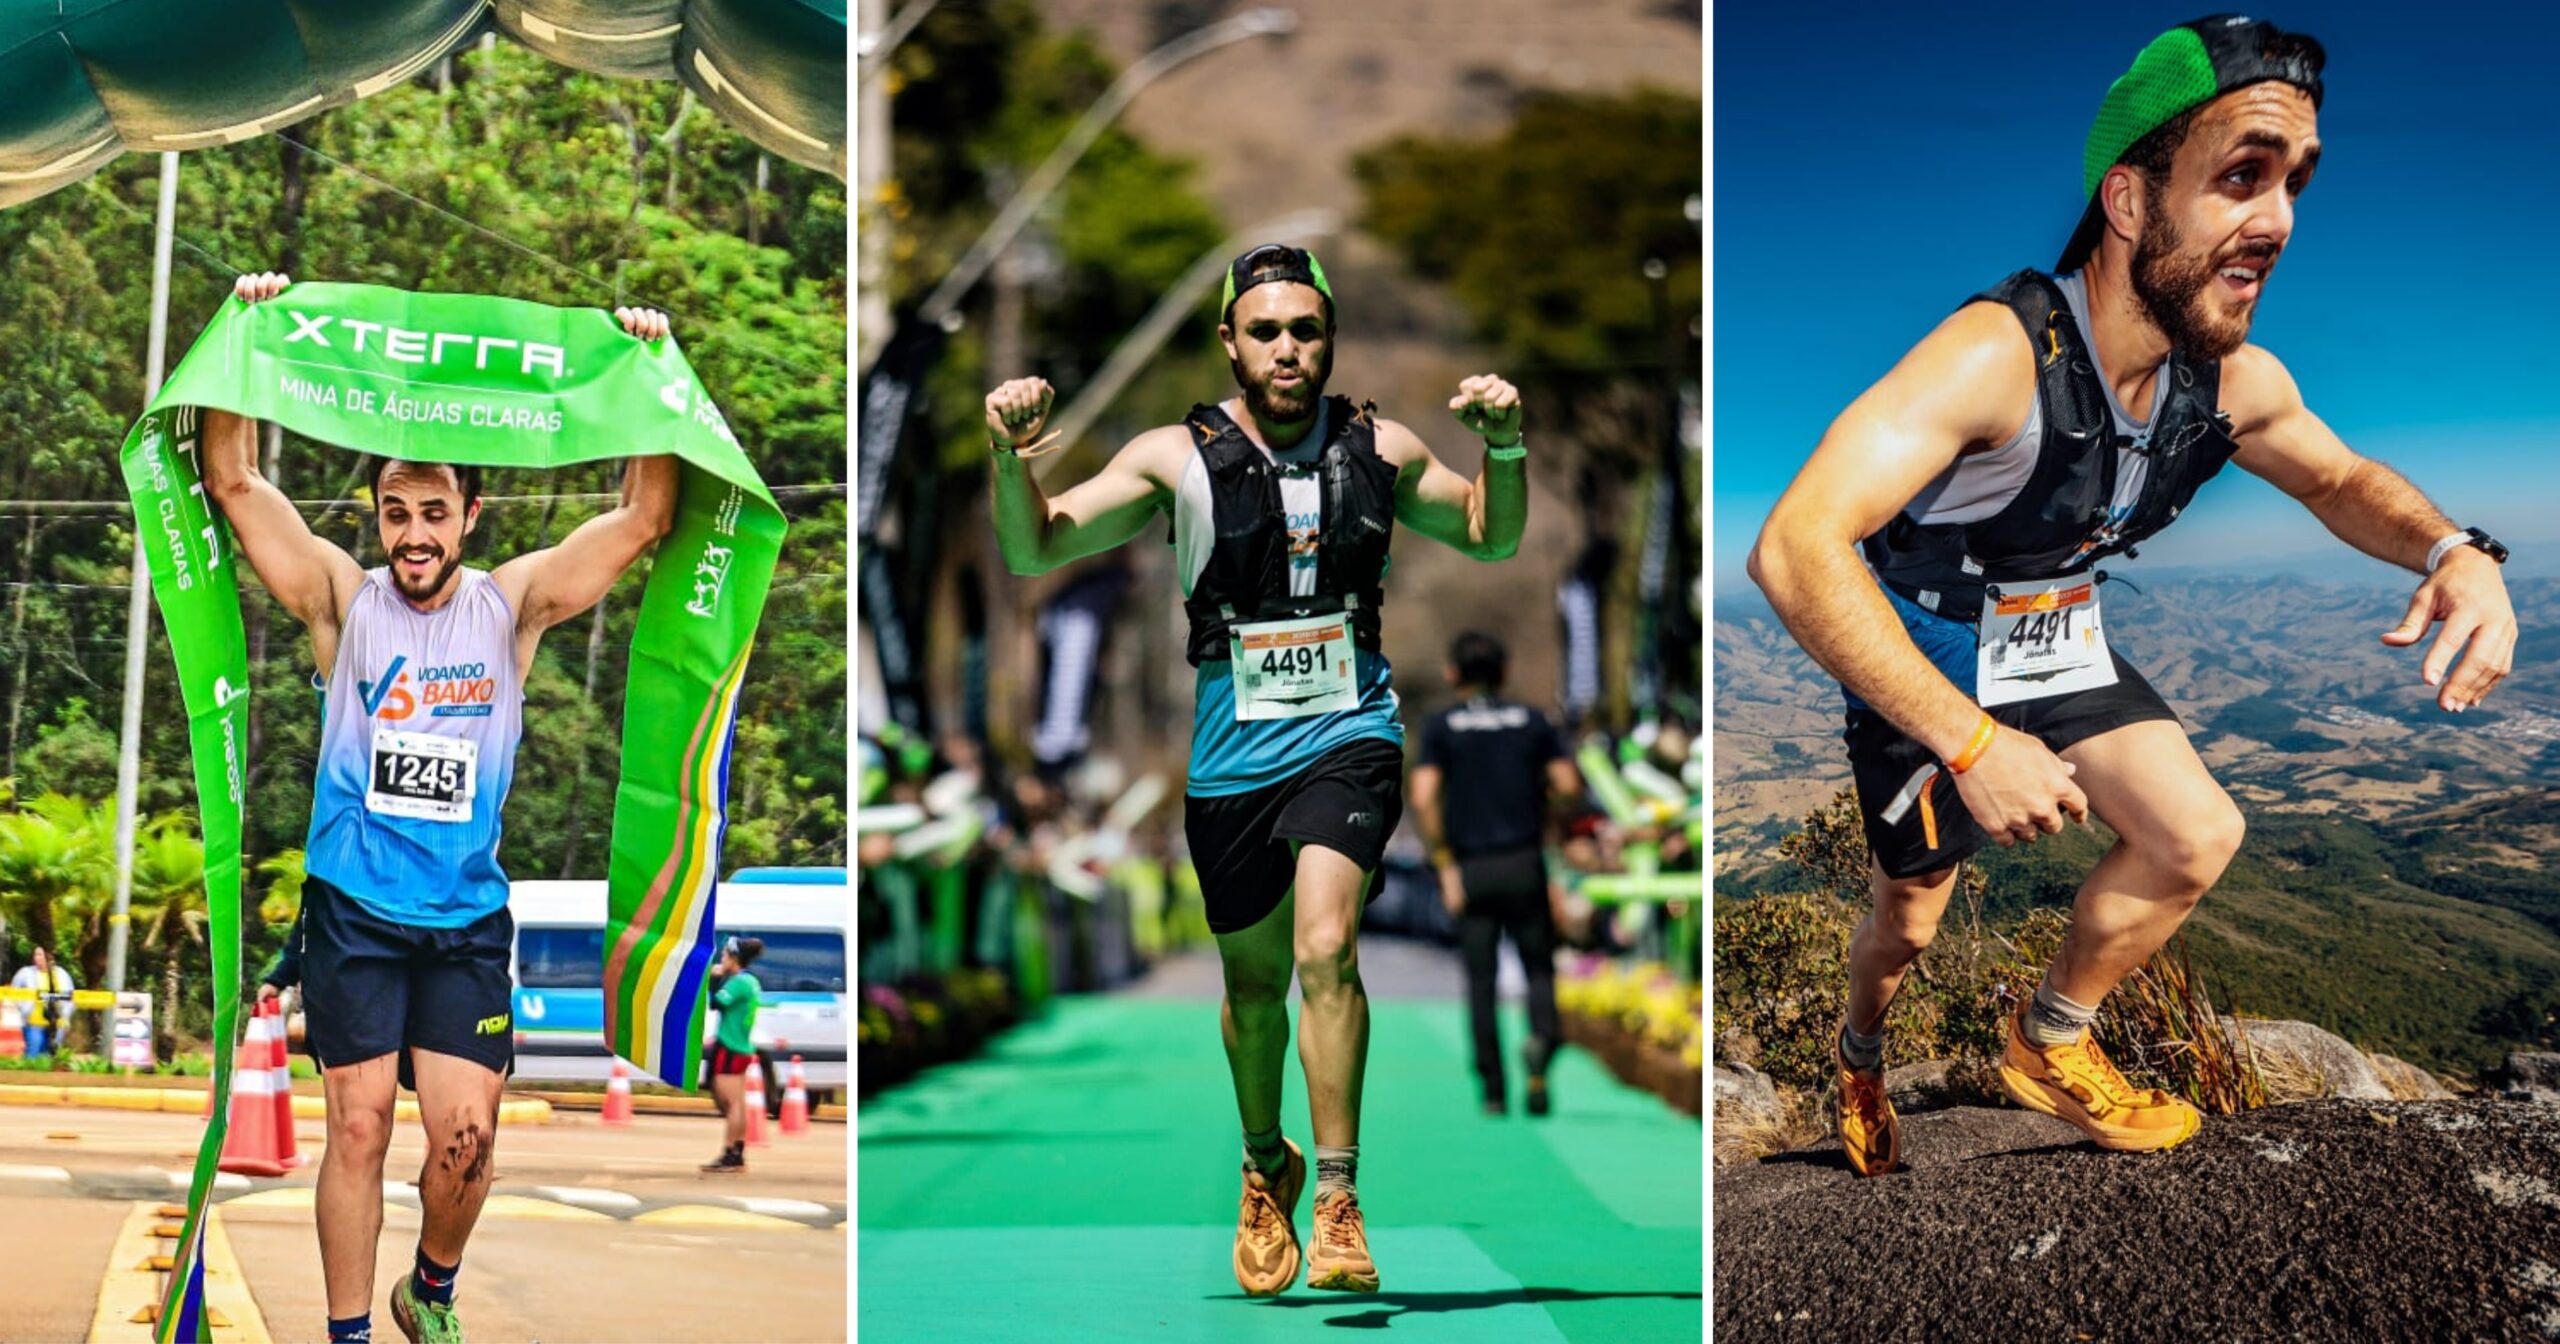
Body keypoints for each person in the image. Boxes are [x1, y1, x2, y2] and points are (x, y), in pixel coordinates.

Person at [1748, 16, 2516, 1178]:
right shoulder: (1994, 354)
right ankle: (1858, 1054)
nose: (2280, 222)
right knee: (1907, 920)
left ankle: (2047, 1042)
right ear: (2128, 199)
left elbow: (2344, 477)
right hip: (1933, 646)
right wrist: (1966, 742)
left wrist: (2455, 549)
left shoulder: (2231, 384)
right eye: (2243, 175)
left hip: (2051, 633)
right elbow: (1796, 545)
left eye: (2295, 184)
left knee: (2196, 831)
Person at [983, 244, 1528, 1296]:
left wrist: (1503, 450)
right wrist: (1011, 460)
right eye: (1265, 330)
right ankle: (1261, 1158)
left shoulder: (1382, 446)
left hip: (1349, 733)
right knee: (1253, 986)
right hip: (1230, 760)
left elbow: (1488, 538)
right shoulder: (1168, 457)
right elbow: (1036, 548)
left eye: (1305, 330)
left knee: (1328, 945)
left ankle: (1337, 1199)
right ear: (1229, 340)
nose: (1286, 349)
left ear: (1329, 339)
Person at [205, 271, 679, 1344]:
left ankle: (429, 1289)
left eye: (432, 513)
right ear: (375, 519)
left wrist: (646, 367)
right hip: (354, 914)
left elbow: (648, 515)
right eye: (394, 513)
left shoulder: (511, 606)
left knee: (468, 1143)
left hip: (464, 919)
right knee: (359, 1128)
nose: (411, 534)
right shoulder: (341, 599)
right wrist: (247, 326)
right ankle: (346, 1335)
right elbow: (234, 481)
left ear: (470, 515)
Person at [1409, 631, 1582, 1117]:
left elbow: (1422, 797)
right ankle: (1541, 1050)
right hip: (1525, 860)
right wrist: (1547, 812)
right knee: (1539, 968)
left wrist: (1443, 862)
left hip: (1471, 867)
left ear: (1452, 673)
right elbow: (1568, 783)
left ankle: (1492, 1088)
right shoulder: (1532, 721)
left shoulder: (1442, 726)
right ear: (1504, 672)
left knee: (1481, 980)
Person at [698, 937, 766, 1173]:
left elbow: (716, 1003)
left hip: (731, 1046)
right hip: (740, 1045)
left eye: (726, 955)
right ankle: (737, 1152)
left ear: (735, 958)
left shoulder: (739, 983)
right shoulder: (750, 981)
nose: (722, 959)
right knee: (738, 1101)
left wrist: (716, 977)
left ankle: (730, 1153)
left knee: (732, 1102)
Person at [9, 947, 75, 1059]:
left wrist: (66, 1017)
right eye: (36, 955)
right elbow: (12, 992)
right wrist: (22, 1007)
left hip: (57, 1024)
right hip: (34, 1021)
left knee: (50, 1056)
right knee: (33, 1053)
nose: (37, 958)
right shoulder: (25, 973)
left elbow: (71, 997)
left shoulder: (62, 974)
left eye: (41, 955)